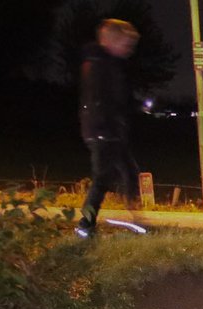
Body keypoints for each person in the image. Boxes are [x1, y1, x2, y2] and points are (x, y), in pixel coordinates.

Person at [76, 19, 141, 239]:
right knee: (103, 178)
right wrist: (105, 127)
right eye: (125, 44)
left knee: (129, 172)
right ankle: (85, 224)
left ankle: (135, 216)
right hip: (102, 130)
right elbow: (98, 100)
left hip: (112, 130)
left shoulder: (110, 64)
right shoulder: (98, 64)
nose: (128, 50)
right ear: (110, 41)